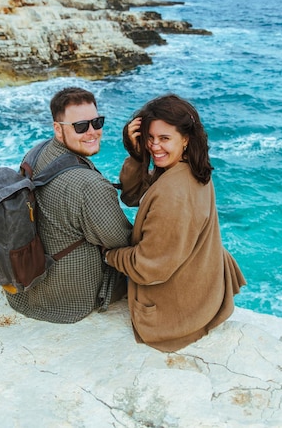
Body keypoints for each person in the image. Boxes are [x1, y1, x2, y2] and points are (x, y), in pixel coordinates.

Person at [104, 93, 246, 352]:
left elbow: (149, 269)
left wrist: (109, 255)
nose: (154, 146)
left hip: (177, 310)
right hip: (204, 287)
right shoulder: (192, 167)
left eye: (164, 138)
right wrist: (136, 155)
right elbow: (134, 195)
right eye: (150, 137)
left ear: (186, 138)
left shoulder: (173, 194)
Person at [6, 86, 132, 324]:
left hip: (27, 288)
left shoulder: (35, 154)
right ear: (58, 129)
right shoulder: (89, 186)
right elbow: (123, 241)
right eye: (81, 126)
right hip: (68, 300)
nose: (93, 132)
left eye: (98, 122)